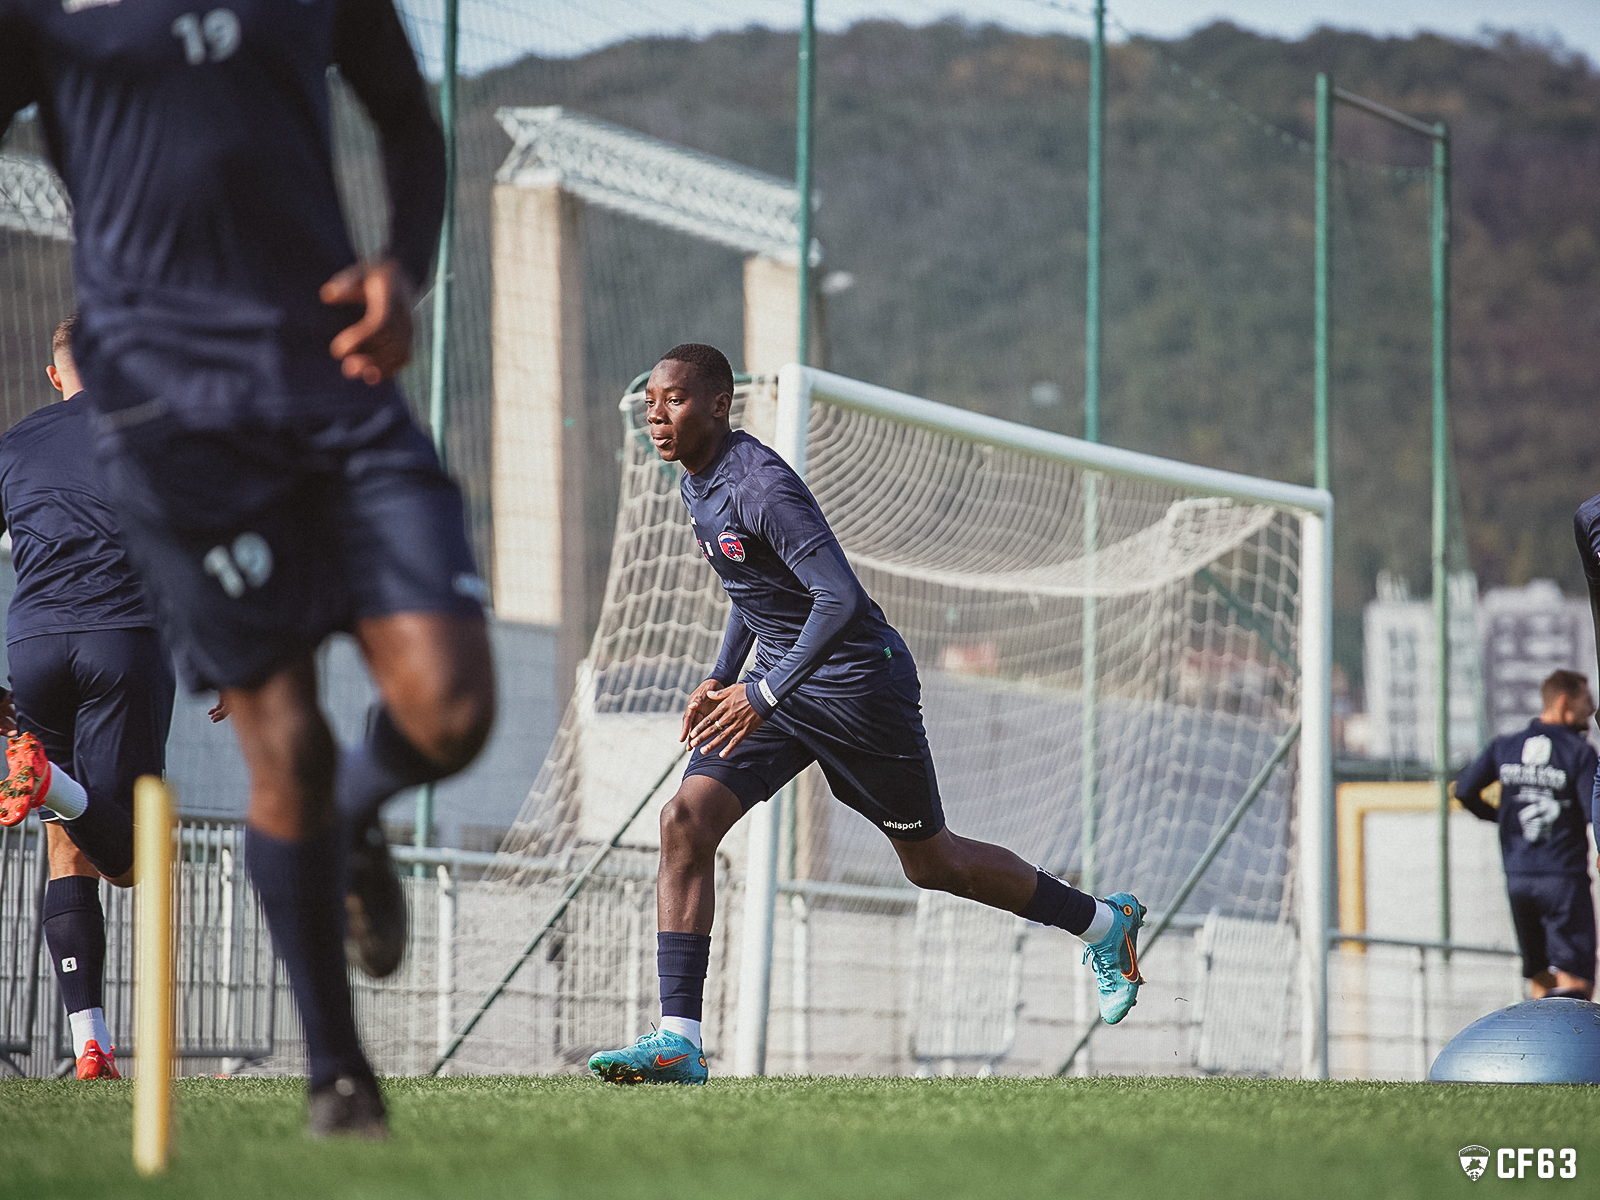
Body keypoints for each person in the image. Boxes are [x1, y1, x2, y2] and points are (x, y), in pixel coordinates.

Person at [1, 0, 495, 1136]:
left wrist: (402, 270)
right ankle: (338, 1074)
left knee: (453, 708)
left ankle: (356, 815)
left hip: (335, 383)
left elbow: (409, 123)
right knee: (284, 740)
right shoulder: (44, 19)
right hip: (175, 426)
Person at [587, 344, 1146, 1086]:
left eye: (676, 400)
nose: (657, 414)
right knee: (684, 821)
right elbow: (753, 586)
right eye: (652, 400)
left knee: (932, 863)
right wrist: (724, 675)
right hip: (784, 682)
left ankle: (1105, 925)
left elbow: (838, 598)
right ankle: (679, 1042)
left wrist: (759, 692)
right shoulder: (696, 481)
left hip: (857, 685)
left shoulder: (760, 485)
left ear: (719, 406)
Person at [0, 317, 178, 1080]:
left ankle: (89, 1047)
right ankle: (48, 781)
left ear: (53, 376)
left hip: (32, 644)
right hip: (122, 638)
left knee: (63, 842)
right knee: (132, 860)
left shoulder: (14, 443)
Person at [1455, 669, 1597, 1000]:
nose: (1591, 713)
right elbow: (1596, 811)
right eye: (1586, 704)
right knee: (1578, 982)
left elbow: (1464, 790)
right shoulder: (1579, 753)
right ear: (1564, 703)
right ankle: (1572, 1048)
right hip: (1563, 879)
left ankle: (1540, 1044)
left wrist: (1501, 817)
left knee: (1540, 973)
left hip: (1518, 878)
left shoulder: (1505, 746)